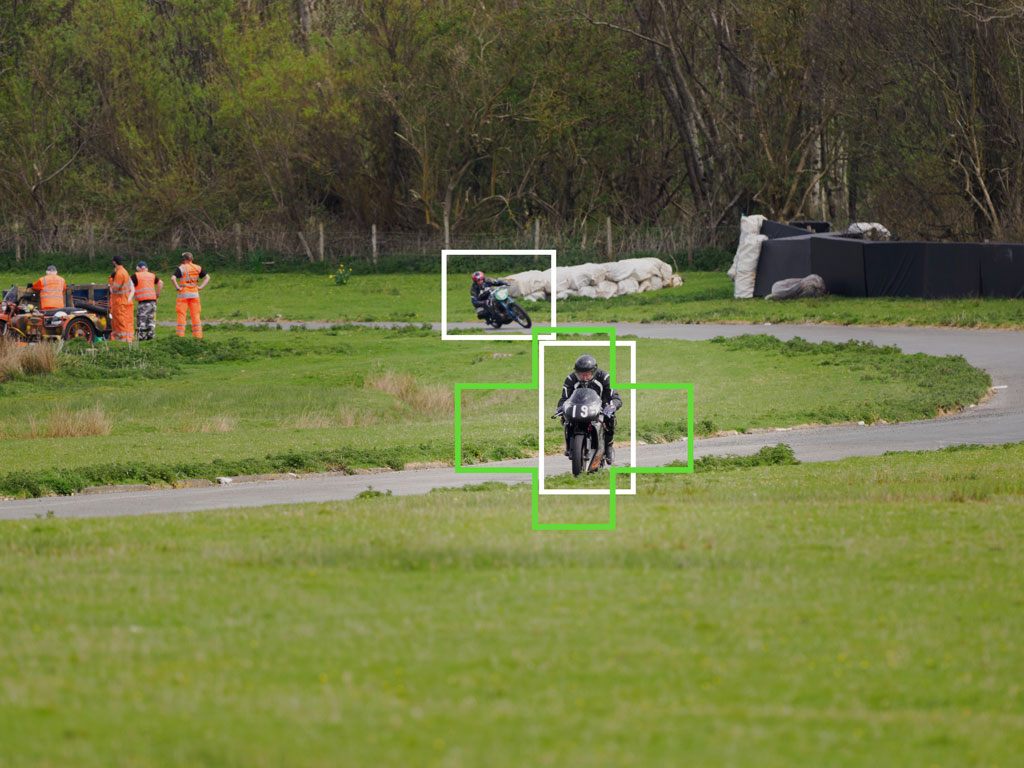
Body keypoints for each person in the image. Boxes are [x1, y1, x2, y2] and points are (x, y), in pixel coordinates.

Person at [554, 353, 622, 465]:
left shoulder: (605, 377)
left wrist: (612, 406)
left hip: (600, 406)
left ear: (593, 372)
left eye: (587, 375)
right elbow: (564, 398)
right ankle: (570, 446)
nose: (584, 378)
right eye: (581, 375)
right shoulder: (571, 379)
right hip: (577, 407)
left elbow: (615, 398)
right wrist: (560, 408)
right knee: (565, 419)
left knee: (610, 419)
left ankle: (608, 446)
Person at [171, 252, 209, 339]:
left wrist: (177, 287)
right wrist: (200, 287)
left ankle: (180, 336)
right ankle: (198, 336)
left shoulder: (181, 268)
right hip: (195, 294)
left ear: (184, 259)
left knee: (182, 315)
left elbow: (173, 278)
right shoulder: (198, 267)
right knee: (196, 315)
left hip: (183, 294)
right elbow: (207, 277)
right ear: (192, 259)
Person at [132, 261, 163, 341]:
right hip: (153, 301)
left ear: (139, 268)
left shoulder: (136, 275)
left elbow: (129, 285)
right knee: (151, 319)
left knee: (141, 319)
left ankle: (141, 336)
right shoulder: (152, 275)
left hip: (143, 302)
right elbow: (160, 283)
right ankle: (151, 335)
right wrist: (157, 295)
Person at [108, 255, 135, 343]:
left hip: (119, 301)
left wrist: (111, 281)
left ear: (114, 262)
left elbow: (115, 289)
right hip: (122, 300)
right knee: (119, 321)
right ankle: (120, 340)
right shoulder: (125, 272)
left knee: (120, 322)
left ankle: (122, 341)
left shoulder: (119, 274)